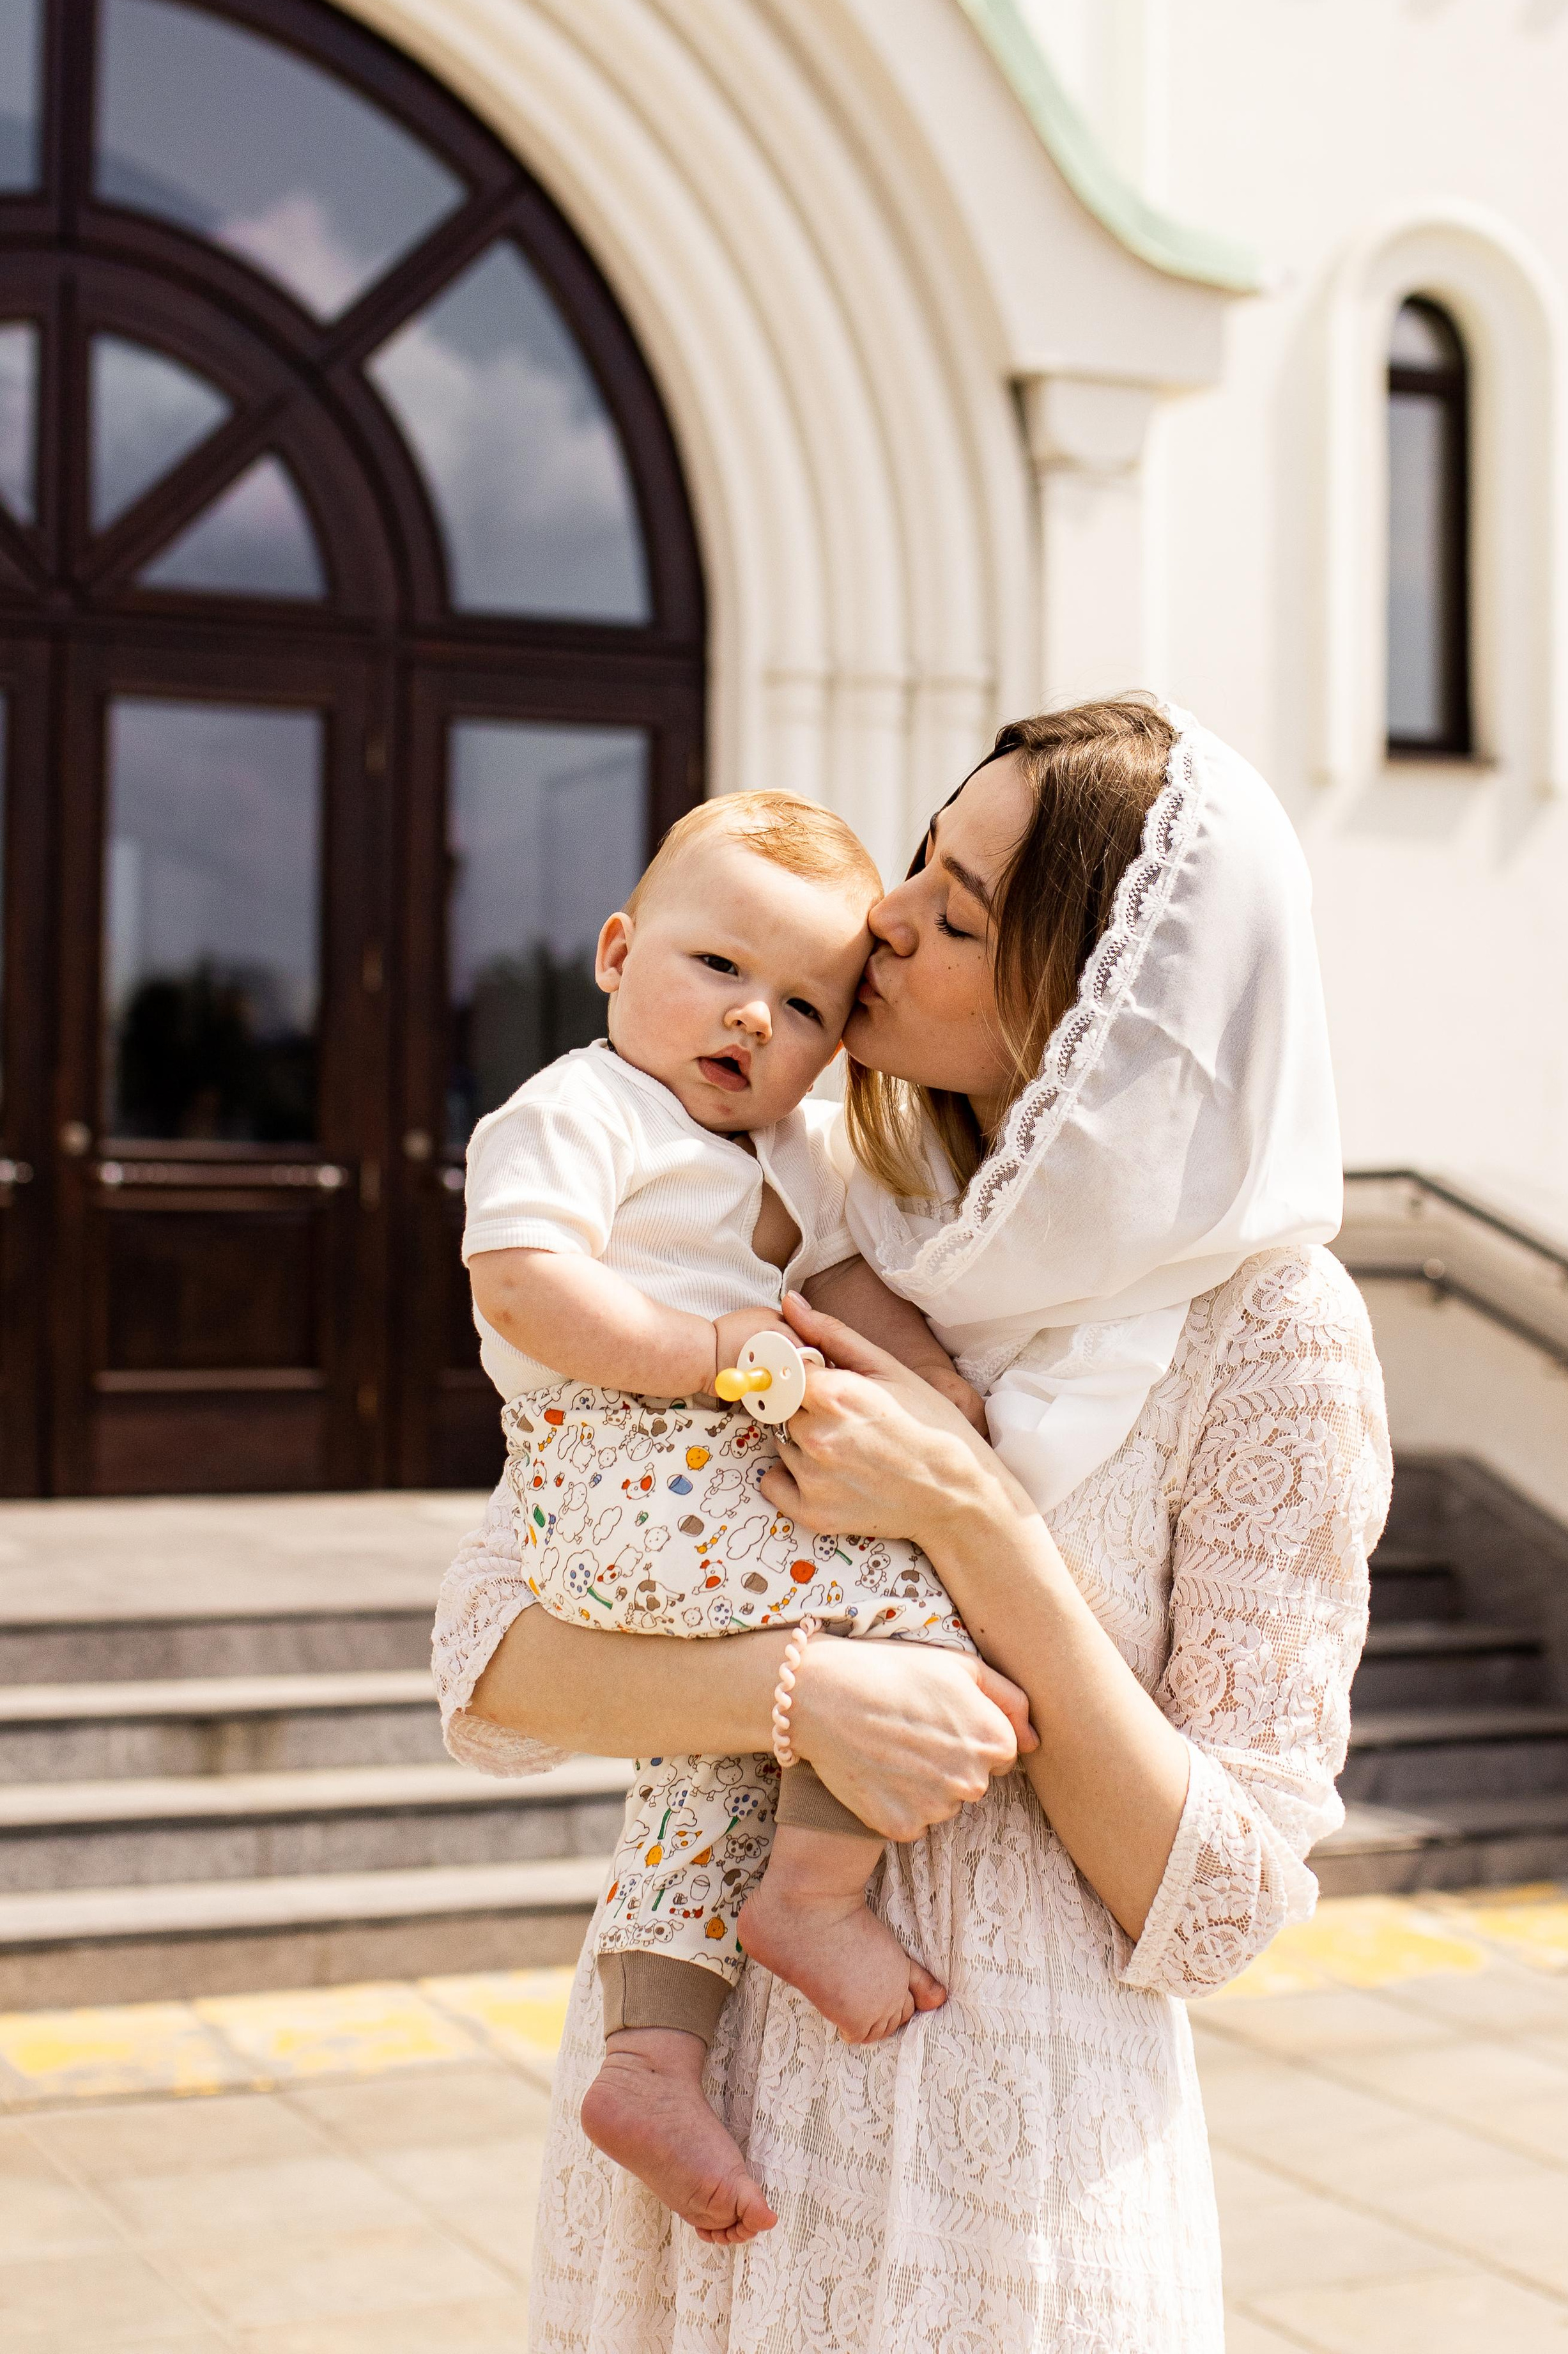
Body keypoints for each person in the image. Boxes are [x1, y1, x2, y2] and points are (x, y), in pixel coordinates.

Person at [433, 697, 1392, 2353]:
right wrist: (796, 1698)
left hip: (995, 2173)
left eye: (954, 911)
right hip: (684, 2113)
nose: (886, 917)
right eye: (923, 862)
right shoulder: (799, 1210)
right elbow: (487, 1665)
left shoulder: (1264, 1325)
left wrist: (966, 1515)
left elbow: (1223, 1902)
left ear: (1105, 1007)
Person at [460, 788, 1020, 2245]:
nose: (754, 1022)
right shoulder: (577, 1109)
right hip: (612, 1462)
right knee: (909, 1616)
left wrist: (934, 1388)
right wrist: (708, 1356)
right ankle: (817, 1899)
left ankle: (648, 2060)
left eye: (804, 1005)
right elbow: (523, 1284)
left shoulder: (793, 1155)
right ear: (615, 952)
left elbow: (837, 1291)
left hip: (701, 1476)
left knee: (708, 1779)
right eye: (718, 970)